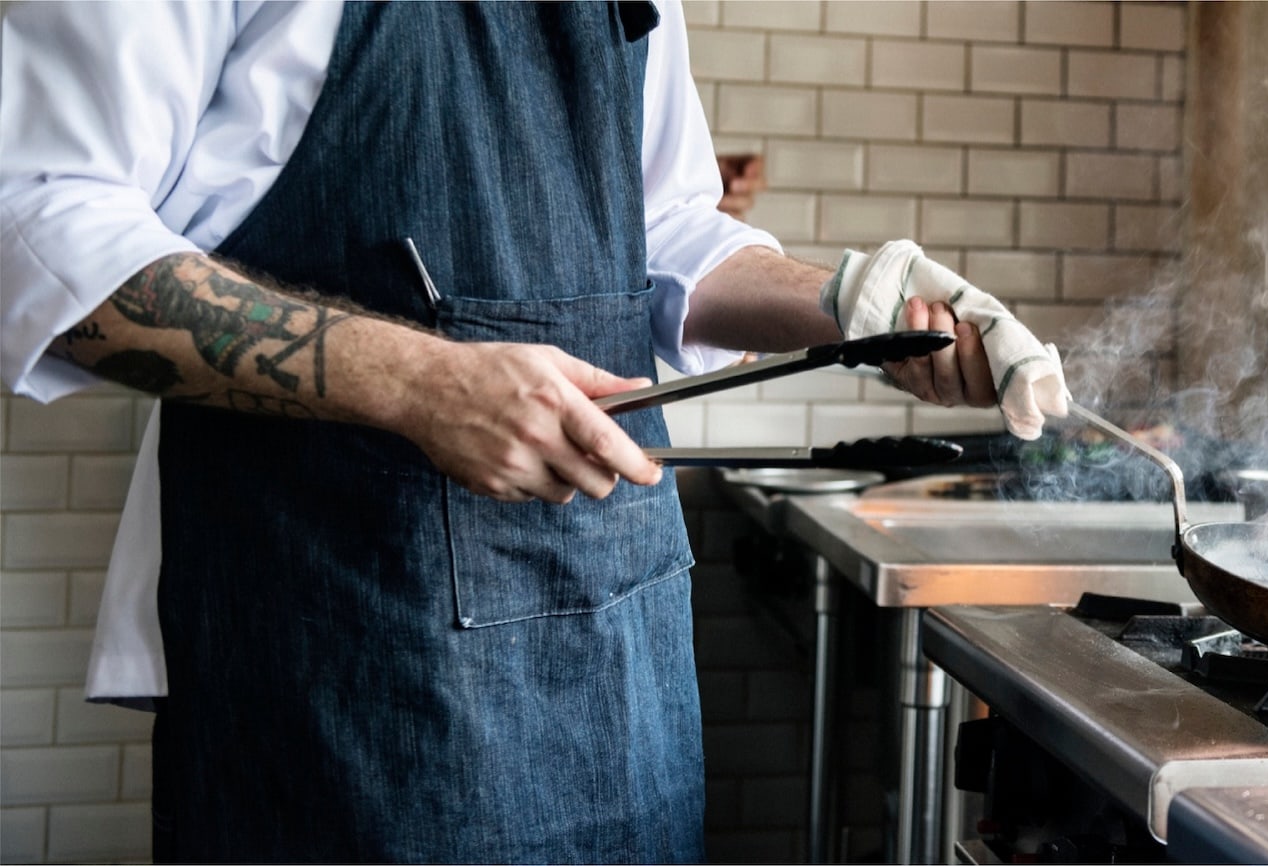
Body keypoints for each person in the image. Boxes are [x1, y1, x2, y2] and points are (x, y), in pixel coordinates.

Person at [0, 2, 1064, 862]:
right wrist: (415, 378)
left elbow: (660, 227)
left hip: (619, 656)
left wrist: (846, 302)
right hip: (338, 658)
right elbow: (35, 215)